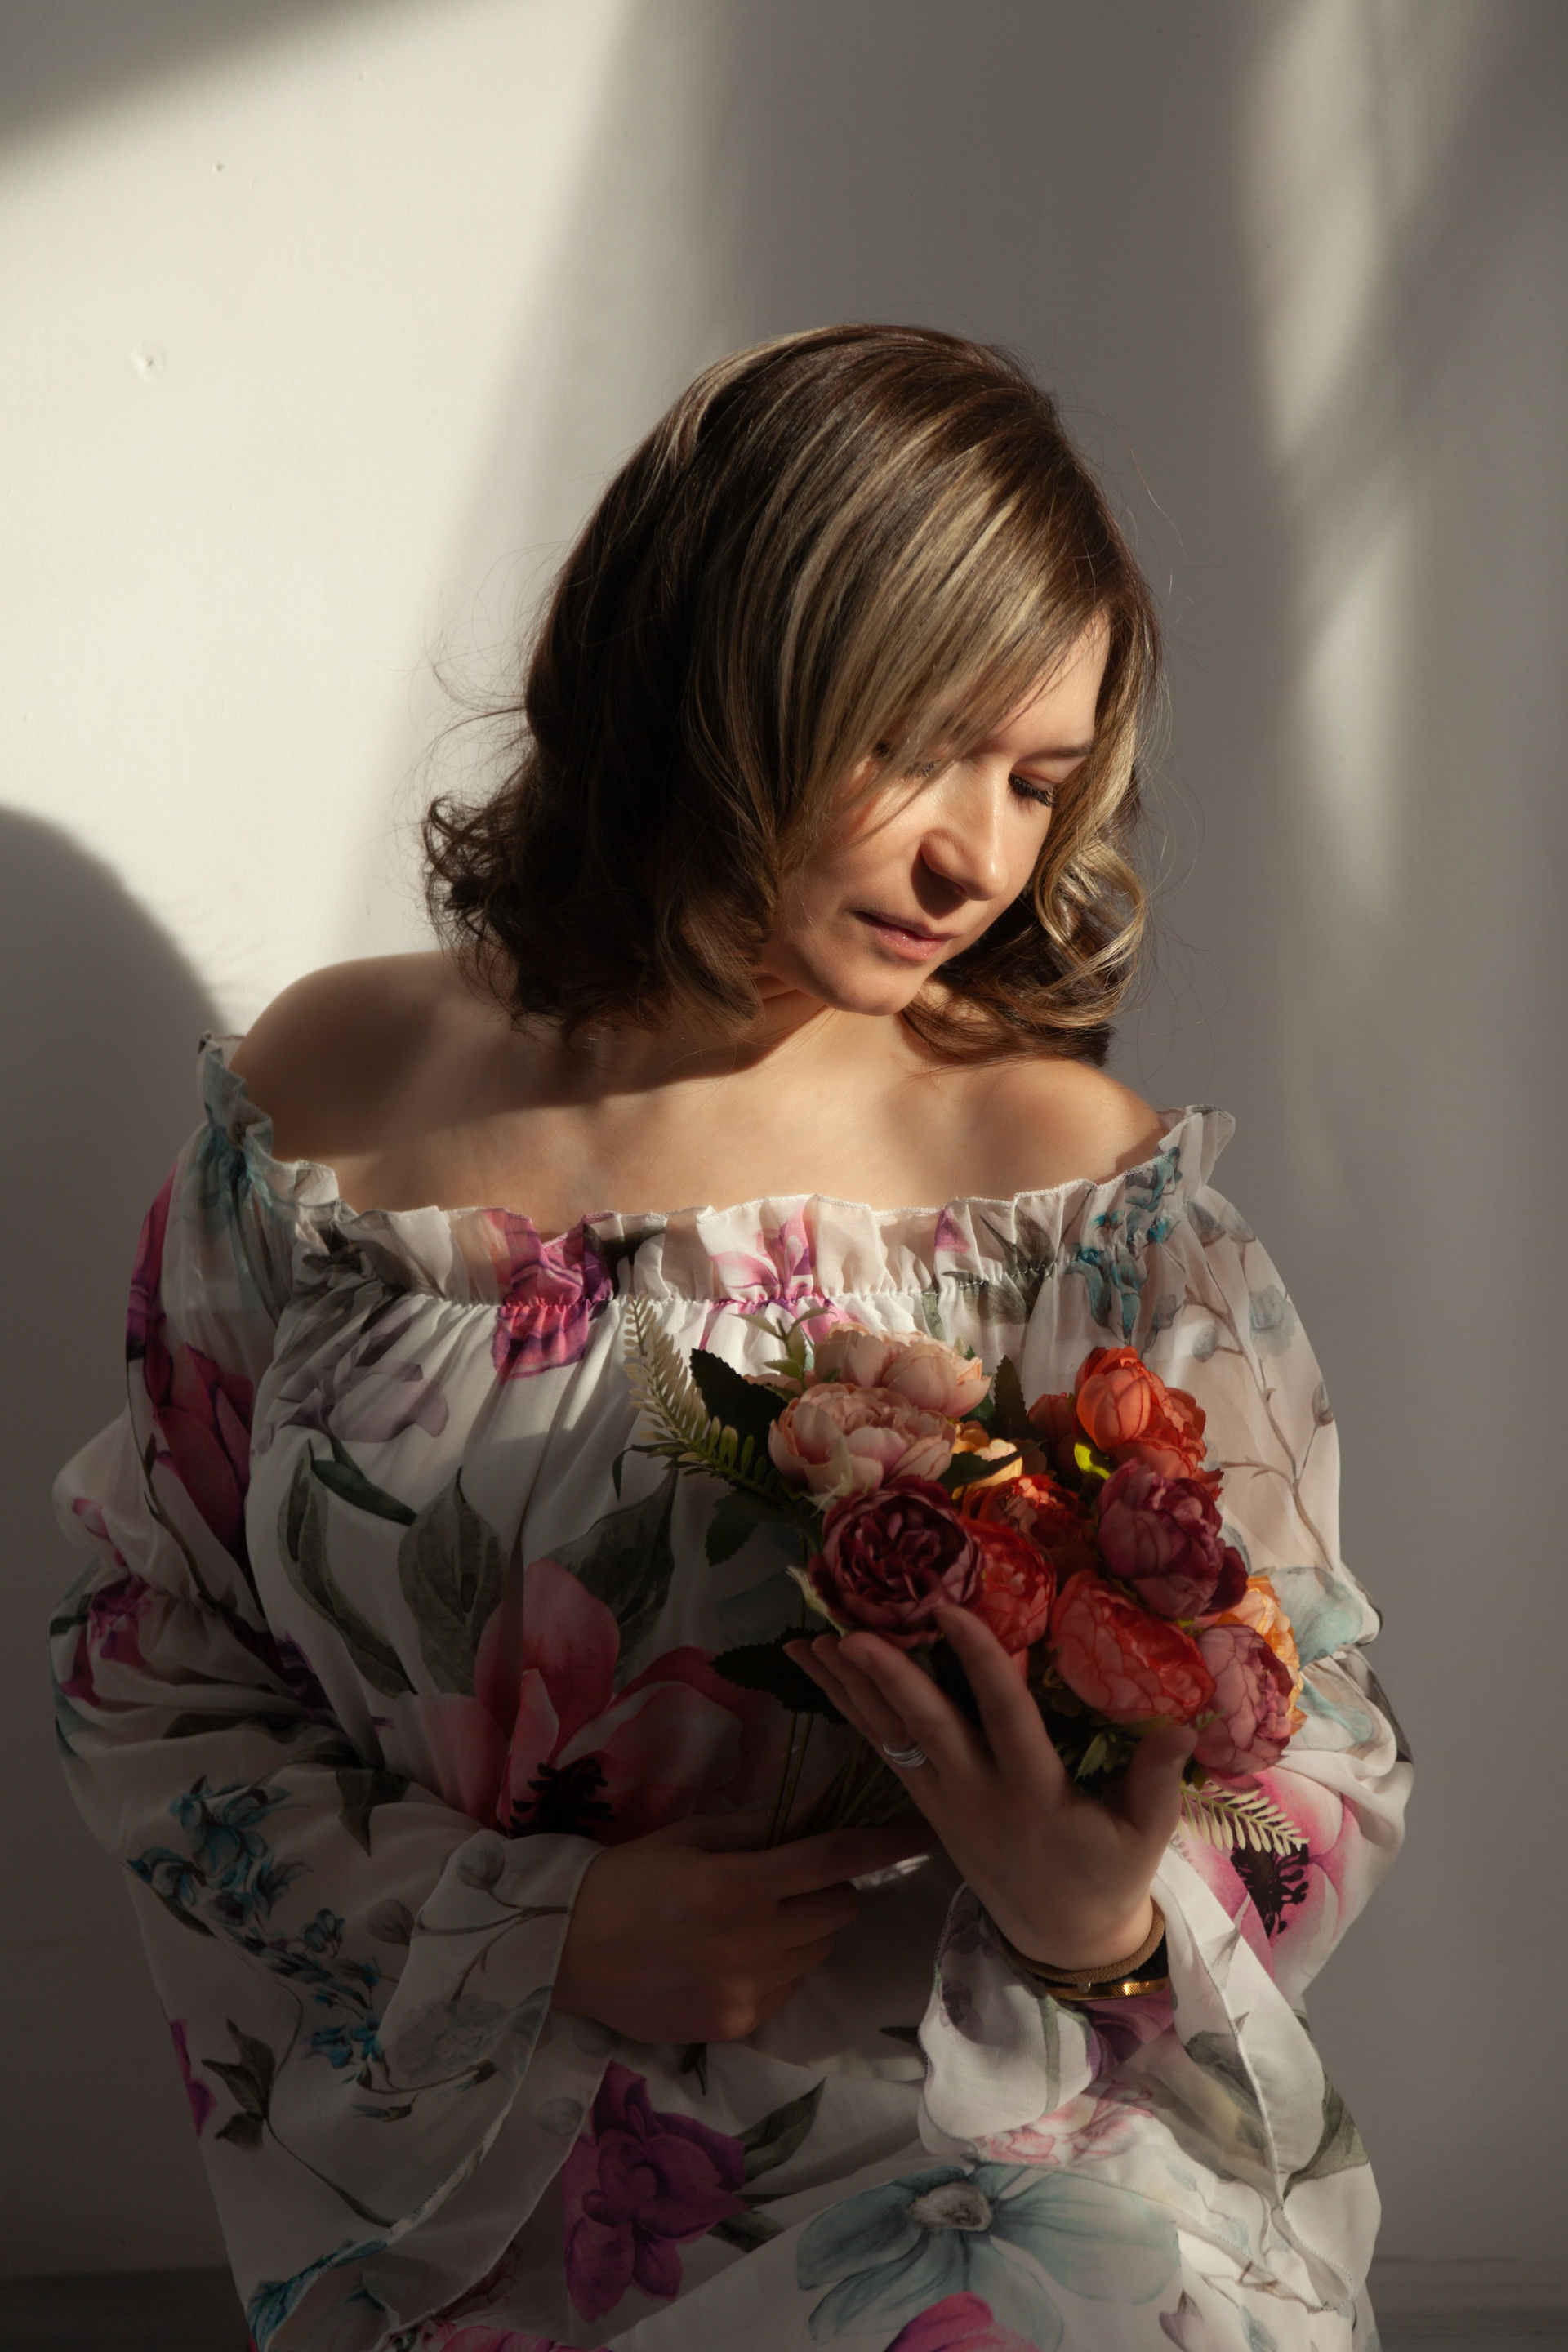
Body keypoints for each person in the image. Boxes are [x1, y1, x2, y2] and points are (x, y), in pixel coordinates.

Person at [51, 325, 1408, 2352]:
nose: (980, 857)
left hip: (997, 2202)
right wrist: (539, 1933)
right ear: (723, 671)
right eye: (922, 748)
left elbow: (1315, 1730)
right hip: (472, 2208)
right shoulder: (327, 1101)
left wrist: (1100, 1919)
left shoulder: (1076, 1199)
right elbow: (149, 1650)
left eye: (1039, 784)